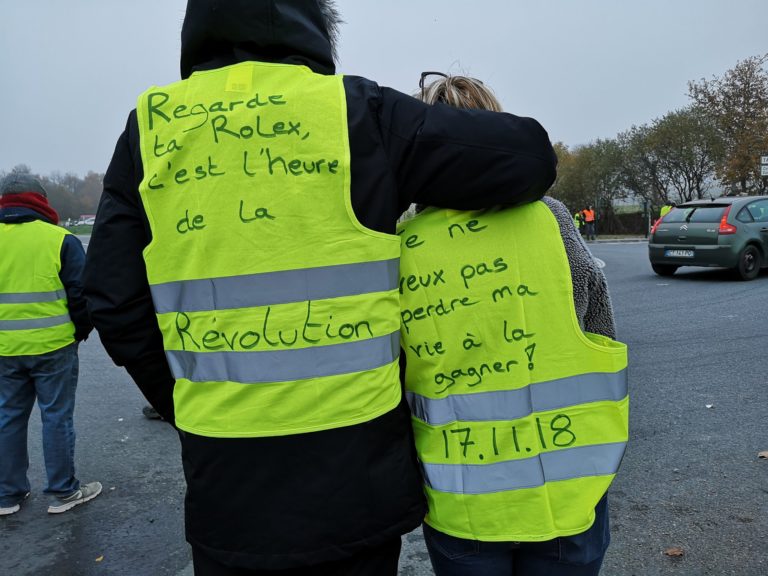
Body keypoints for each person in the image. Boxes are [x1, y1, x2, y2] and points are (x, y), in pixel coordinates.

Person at [83, 1, 557, 573]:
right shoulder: (356, 112)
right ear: (312, 24)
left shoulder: (151, 127)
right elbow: (526, 156)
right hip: (357, 485)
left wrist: (190, 404)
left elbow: (112, 299)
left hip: (227, 486)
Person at [398, 76, 628, 575]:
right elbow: (599, 325)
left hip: (463, 503)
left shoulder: (401, 241)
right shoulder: (554, 220)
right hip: (569, 493)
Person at [0, 174, 101, 516]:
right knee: (56, 417)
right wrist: (79, 332)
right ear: (42, 200)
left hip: (4, 349)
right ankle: (63, 492)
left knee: (8, 417)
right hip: (54, 346)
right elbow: (83, 293)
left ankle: (7, 495)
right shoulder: (61, 239)